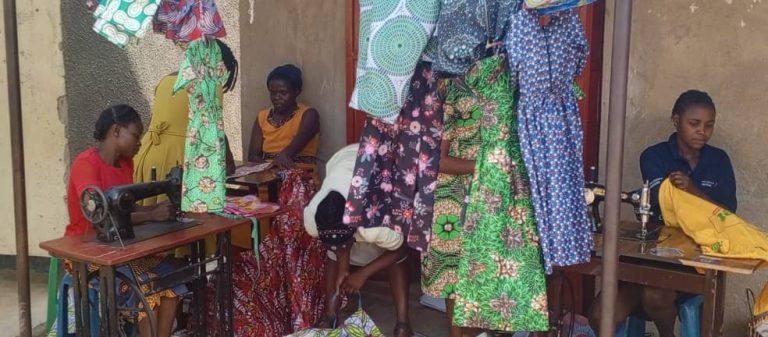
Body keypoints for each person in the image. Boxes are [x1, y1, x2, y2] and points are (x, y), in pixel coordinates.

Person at [590, 90, 736, 337]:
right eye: (694, 123)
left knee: (655, 295)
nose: (703, 131)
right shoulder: (654, 156)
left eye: (709, 125)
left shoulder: (719, 161)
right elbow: (657, 200)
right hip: (651, 260)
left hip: (695, 262)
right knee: (598, 313)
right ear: (676, 120)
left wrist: (693, 189)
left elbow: (729, 213)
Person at [58, 105, 187, 337]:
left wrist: (153, 207)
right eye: (136, 135)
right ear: (116, 131)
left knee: (171, 274)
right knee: (148, 285)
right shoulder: (86, 164)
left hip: (119, 248)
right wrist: (150, 215)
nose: (140, 142)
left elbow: (125, 207)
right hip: (88, 252)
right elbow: (102, 216)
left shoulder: (126, 163)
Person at [303, 144, 414, 337]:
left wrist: (363, 273)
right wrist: (344, 268)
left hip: (386, 163)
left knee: (397, 260)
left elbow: (403, 248)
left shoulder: (373, 223)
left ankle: (403, 324)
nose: (340, 247)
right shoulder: (312, 219)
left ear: (355, 226)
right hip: (342, 158)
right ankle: (330, 316)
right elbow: (338, 245)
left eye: (346, 241)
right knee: (332, 257)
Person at [248, 64, 320, 171]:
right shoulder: (262, 116)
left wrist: (274, 166)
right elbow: (253, 156)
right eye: (273, 93)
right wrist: (268, 169)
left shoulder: (308, 114)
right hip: (267, 177)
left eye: (283, 92)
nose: (277, 97)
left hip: (299, 177)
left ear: (297, 91)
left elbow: (286, 155)